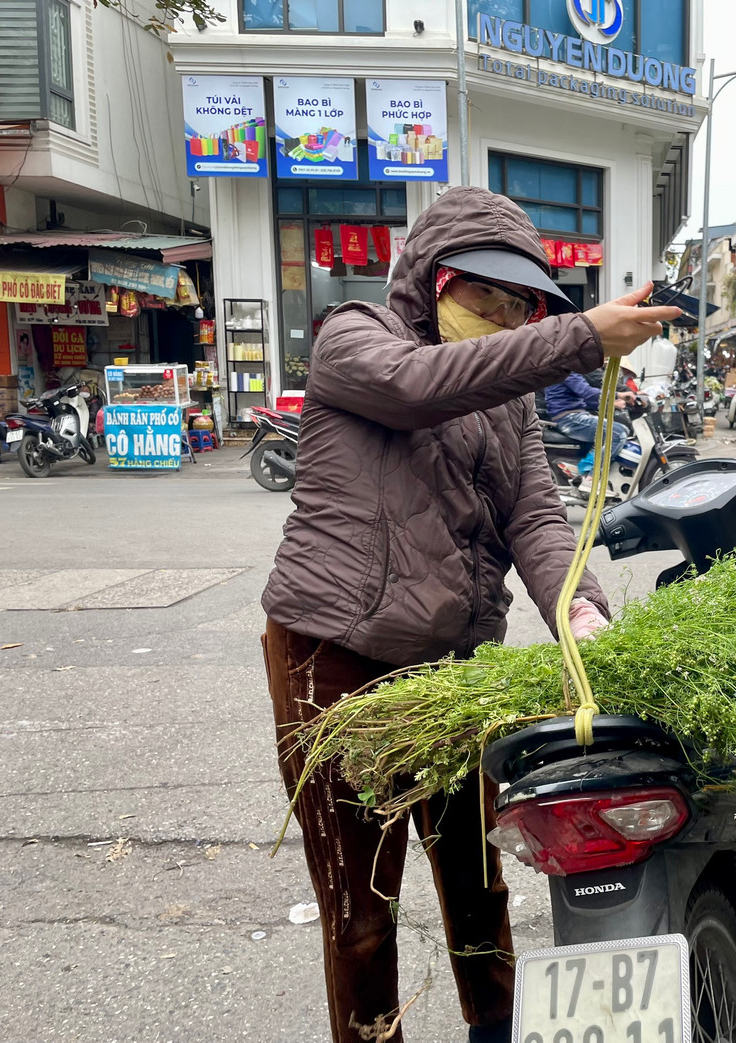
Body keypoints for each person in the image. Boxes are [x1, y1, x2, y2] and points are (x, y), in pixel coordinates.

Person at [260, 185, 681, 1043]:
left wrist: (579, 609)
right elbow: (418, 387)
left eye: (518, 301)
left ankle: (495, 1027)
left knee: (476, 877)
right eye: (480, 292)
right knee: (362, 906)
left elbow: (535, 514)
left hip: (452, 666)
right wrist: (574, 339)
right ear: (428, 278)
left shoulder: (511, 400)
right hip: (337, 658)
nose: (499, 312)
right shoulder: (354, 338)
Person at [544, 371, 634, 492]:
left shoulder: (564, 370)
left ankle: (584, 473)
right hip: (570, 418)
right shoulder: (566, 371)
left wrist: (612, 402)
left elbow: (586, 398)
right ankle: (591, 479)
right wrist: (619, 395)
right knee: (618, 433)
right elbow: (587, 393)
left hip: (570, 416)